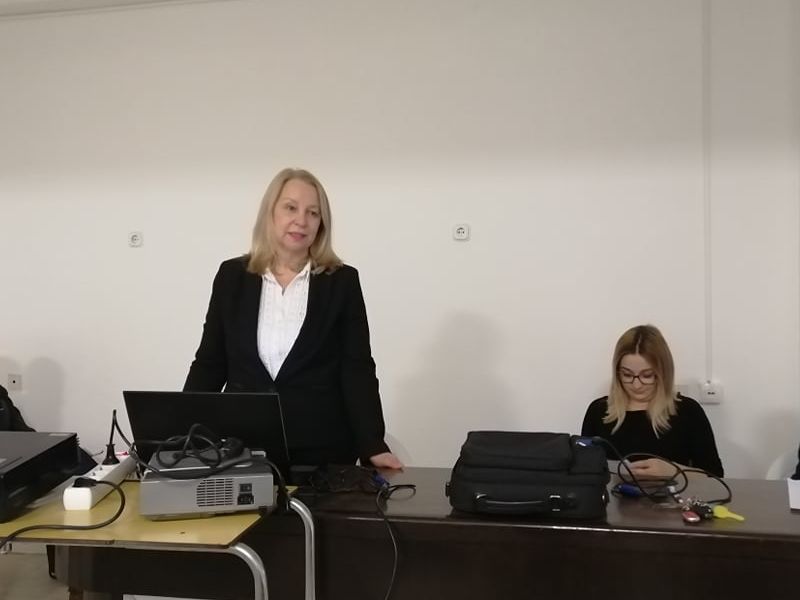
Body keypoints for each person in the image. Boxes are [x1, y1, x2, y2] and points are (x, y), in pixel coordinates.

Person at [184, 167, 402, 470]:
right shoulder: (232, 276)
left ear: (321, 223)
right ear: (270, 213)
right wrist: (181, 434)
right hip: (244, 449)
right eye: (290, 208)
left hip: (323, 451)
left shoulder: (342, 281)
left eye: (313, 213)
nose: (301, 220)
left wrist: (372, 443)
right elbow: (210, 363)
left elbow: (357, 368)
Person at [581, 324, 724, 478]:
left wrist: (675, 471)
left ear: (663, 372)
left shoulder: (688, 411)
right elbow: (583, 472)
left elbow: (716, 477)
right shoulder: (598, 411)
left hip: (674, 494)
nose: (636, 385)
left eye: (647, 375)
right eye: (627, 375)